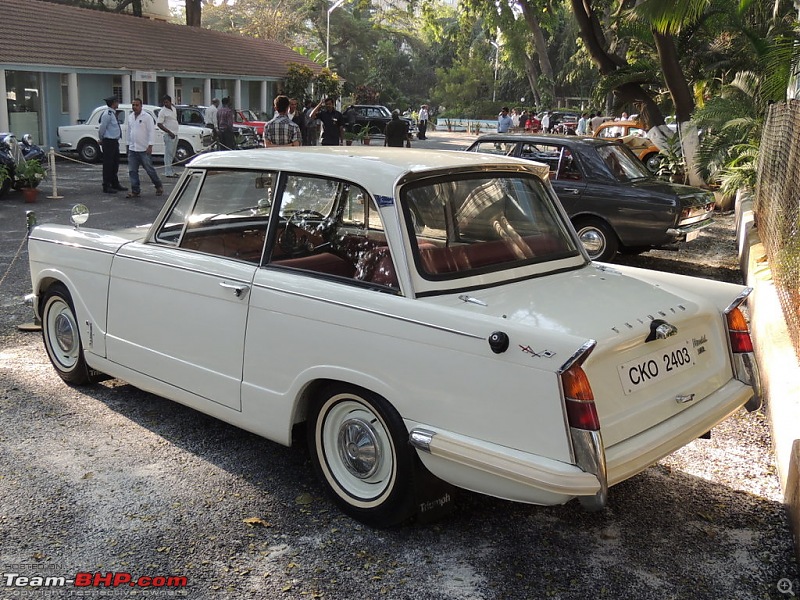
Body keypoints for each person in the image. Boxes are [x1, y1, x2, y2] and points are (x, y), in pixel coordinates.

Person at [126, 98, 163, 199]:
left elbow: (151, 131)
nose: (134, 107)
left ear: (141, 106)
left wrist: (150, 145)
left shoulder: (147, 117)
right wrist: (128, 144)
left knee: (149, 169)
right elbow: (129, 131)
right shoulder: (130, 117)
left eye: (137, 105)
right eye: (133, 105)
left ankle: (158, 186)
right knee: (132, 171)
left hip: (144, 149)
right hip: (133, 149)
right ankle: (135, 191)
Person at [97, 95, 126, 193]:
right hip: (108, 141)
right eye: (117, 102)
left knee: (115, 164)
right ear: (113, 103)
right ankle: (106, 185)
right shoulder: (107, 114)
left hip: (114, 142)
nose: (118, 103)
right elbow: (102, 128)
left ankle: (115, 183)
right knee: (108, 164)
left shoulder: (113, 113)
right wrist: (101, 139)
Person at [156, 95, 180, 177]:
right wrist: (169, 132)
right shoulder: (163, 111)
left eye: (167, 102)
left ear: (170, 101)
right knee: (168, 154)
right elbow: (159, 124)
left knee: (172, 154)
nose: (165, 104)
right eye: (164, 102)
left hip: (175, 134)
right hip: (169, 135)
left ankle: (171, 170)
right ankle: (168, 172)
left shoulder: (173, 108)